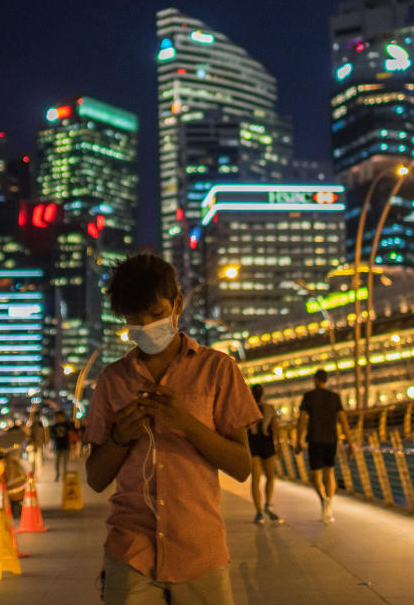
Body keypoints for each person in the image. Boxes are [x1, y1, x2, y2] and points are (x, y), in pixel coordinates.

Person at [85, 253, 260, 604]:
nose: (147, 326)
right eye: (136, 320)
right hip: (130, 549)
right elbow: (95, 478)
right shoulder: (112, 380)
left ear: (177, 304)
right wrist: (121, 436)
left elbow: (242, 466)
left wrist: (185, 423)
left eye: (156, 314)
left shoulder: (218, 370)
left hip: (200, 550)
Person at [296, 369, 353, 523]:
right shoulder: (334, 397)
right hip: (330, 440)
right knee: (329, 473)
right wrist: (350, 442)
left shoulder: (308, 397)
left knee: (316, 477)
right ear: (326, 380)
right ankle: (327, 503)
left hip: (315, 440)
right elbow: (343, 420)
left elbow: (301, 420)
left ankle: (325, 503)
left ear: (315, 380)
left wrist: (298, 441)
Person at [247, 384, 282, 524]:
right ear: (262, 394)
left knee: (255, 479)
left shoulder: (246, 408)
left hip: (253, 443)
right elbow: (275, 428)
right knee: (270, 476)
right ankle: (267, 503)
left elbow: (243, 430)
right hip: (267, 443)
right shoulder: (270, 408)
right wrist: (278, 445)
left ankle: (259, 512)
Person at [0, 446, 28, 520]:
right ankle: (15, 507)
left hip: (11, 492)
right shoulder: (13, 462)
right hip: (24, 490)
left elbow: (1, 484)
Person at [51, 409, 73, 480]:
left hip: (66, 445)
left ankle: (65, 475)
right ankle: (57, 474)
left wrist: (71, 445)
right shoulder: (55, 426)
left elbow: (70, 434)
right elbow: (53, 436)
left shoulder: (67, 424)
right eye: (57, 417)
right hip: (58, 446)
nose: (58, 418)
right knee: (57, 462)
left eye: (59, 416)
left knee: (65, 462)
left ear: (62, 416)